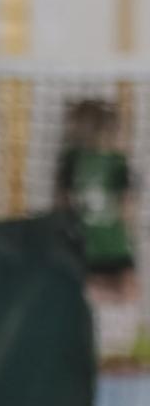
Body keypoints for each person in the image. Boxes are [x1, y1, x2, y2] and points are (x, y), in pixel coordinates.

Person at [56, 98, 140, 360]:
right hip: (101, 246)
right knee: (113, 293)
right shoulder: (110, 161)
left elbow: (63, 203)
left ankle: (108, 349)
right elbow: (126, 208)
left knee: (102, 293)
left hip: (97, 246)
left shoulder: (84, 160)